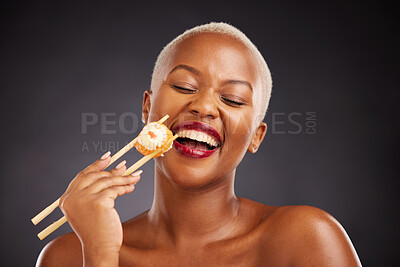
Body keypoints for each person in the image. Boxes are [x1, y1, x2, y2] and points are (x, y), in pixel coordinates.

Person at [36, 22, 361, 266]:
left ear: (255, 137)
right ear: (147, 108)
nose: (204, 107)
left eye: (232, 99)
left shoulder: (306, 239)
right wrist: (99, 255)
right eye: (184, 85)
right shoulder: (66, 256)